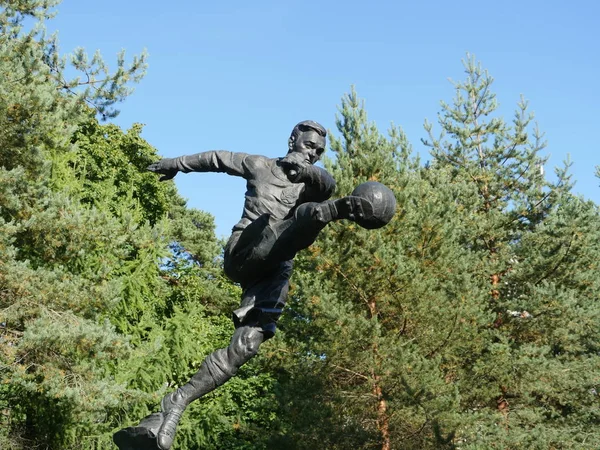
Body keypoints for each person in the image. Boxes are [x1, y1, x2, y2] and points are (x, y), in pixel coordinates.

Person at [115, 121, 377, 450]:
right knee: (303, 216)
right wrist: (176, 164)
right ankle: (334, 213)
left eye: (319, 151)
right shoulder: (259, 165)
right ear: (293, 139)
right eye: (309, 146)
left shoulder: (313, 184)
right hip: (247, 248)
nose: (313, 153)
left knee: (247, 346)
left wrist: (307, 173)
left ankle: (172, 407)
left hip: (274, 270)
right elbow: (216, 158)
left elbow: (327, 182)